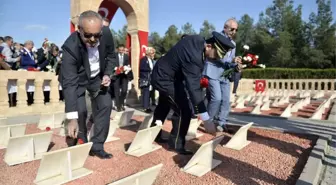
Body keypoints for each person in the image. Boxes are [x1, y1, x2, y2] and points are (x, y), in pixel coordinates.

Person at [150, 31, 239, 155]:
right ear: (208, 46)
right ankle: (176, 144)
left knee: (164, 105)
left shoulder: (197, 40)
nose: (217, 58)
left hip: (167, 74)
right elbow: (194, 89)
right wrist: (206, 120)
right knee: (183, 110)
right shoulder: (194, 57)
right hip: (164, 78)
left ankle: (153, 134)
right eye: (217, 55)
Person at [61, 10, 117, 159]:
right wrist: (71, 118)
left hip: (97, 77)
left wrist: (107, 74)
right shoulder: (70, 47)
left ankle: (97, 146)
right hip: (78, 80)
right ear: (79, 30)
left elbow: (112, 56)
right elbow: (69, 83)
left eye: (96, 35)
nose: (93, 39)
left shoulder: (106, 33)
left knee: (105, 105)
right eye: (87, 35)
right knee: (80, 112)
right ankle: (81, 143)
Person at [203, 18, 241, 132]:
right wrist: (231, 61)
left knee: (225, 100)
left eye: (236, 30)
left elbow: (229, 60)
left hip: (224, 74)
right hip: (212, 72)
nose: (234, 32)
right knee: (216, 99)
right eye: (232, 29)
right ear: (225, 28)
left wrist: (236, 63)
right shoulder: (215, 39)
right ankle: (208, 122)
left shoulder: (233, 44)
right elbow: (215, 56)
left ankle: (222, 122)